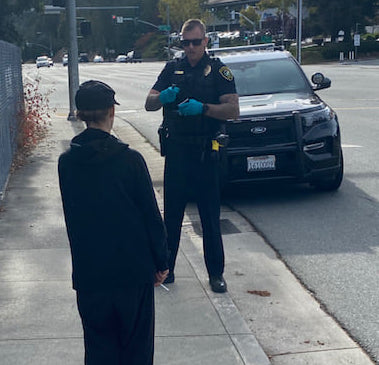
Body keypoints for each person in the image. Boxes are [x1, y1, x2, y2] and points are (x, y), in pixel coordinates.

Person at [58, 80, 169, 365]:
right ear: (112, 111)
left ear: (80, 114)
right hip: (133, 273)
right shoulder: (130, 161)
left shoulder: (67, 163)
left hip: (91, 275)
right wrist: (161, 261)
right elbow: (150, 216)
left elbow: (74, 216)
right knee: (137, 351)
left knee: (98, 350)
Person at [145, 19, 239, 293]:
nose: (190, 47)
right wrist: (162, 97)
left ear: (205, 41)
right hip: (177, 153)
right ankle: (167, 269)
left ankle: (216, 274)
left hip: (206, 153)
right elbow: (148, 102)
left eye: (195, 42)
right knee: (171, 217)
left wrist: (204, 109)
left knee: (210, 217)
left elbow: (233, 110)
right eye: (185, 43)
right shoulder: (172, 69)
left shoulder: (219, 71)